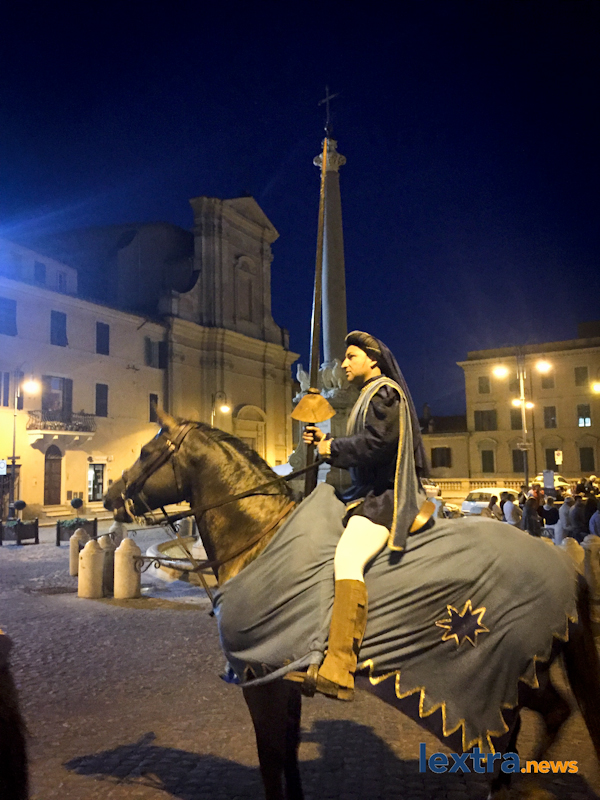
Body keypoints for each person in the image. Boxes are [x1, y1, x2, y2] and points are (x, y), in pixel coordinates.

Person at [287, 331, 430, 701]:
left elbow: (378, 444)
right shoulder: (368, 395)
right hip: (364, 494)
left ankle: (339, 667)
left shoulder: (384, 393)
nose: (344, 364)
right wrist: (324, 445)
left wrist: (331, 447)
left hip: (385, 497)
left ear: (373, 359)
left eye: (351, 356)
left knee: (348, 558)